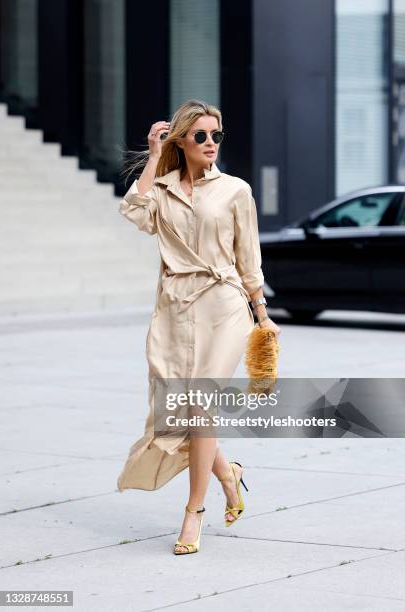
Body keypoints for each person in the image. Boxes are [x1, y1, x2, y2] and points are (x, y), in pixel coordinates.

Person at [117, 99, 281, 555]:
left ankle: (194, 512)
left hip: (224, 304)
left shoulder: (235, 190)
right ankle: (230, 475)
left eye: (217, 136)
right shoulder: (163, 189)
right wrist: (153, 157)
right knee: (182, 411)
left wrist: (262, 315)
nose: (211, 143)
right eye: (201, 136)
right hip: (174, 307)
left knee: (201, 405)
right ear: (182, 142)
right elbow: (133, 212)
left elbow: (249, 257)